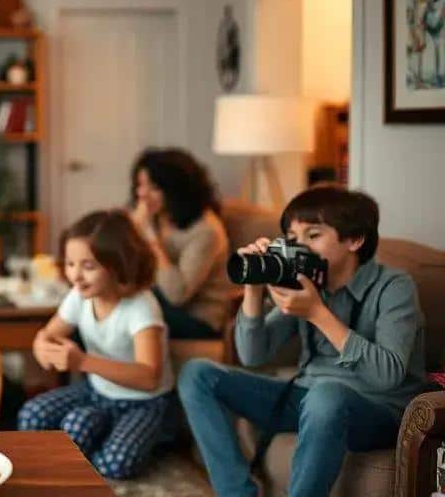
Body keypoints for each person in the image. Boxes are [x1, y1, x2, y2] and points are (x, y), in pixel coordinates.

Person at [178, 185, 428, 497]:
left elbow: (387, 374)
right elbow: (253, 356)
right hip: (307, 398)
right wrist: (253, 291)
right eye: (294, 239)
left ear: (355, 239)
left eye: (313, 235)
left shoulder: (394, 287)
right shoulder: (308, 282)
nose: (302, 247)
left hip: (374, 409)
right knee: (197, 374)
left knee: (327, 395)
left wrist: (318, 314)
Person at [17, 210, 173, 479]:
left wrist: (83, 362)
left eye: (88, 266)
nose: (76, 276)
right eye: (70, 264)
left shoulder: (142, 307)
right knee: (32, 415)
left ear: (118, 265)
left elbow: (149, 377)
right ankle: (96, 428)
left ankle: (134, 435)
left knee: (115, 464)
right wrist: (42, 345)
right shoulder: (80, 295)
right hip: (97, 391)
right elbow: (49, 334)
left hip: (143, 402)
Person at [129, 148, 232, 339]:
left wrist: (150, 238)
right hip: (156, 298)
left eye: (153, 187)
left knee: (123, 309)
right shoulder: (154, 216)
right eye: (140, 185)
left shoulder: (206, 231)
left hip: (197, 318)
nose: (142, 194)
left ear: (175, 189)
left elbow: (177, 295)